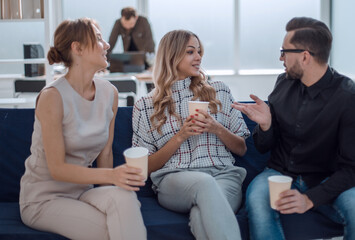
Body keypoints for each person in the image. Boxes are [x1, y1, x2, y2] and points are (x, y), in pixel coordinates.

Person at [19, 18, 147, 240]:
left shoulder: (110, 93)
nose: (107, 45)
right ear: (76, 48)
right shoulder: (52, 97)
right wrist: (114, 175)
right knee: (110, 231)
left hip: (83, 192)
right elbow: (58, 169)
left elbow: (105, 153)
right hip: (45, 198)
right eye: (98, 39)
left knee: (125, 198)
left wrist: (111, 188)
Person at [232, 17, 355, 240]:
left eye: (284, 51)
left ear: (305, 56)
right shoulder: (283, 84)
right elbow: (262, 147)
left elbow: (352, 169)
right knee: (257, 203)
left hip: (327, 178)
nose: (281, 58)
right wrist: (266, 125)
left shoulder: (348, 96)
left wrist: (310, 199)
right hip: (278, 173)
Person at [132, 29, 250, 240]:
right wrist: (180, 136)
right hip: (173, 180)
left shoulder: (219, 90)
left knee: (200, 215)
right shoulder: (146, 106)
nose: (198, 57)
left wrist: (216, 128)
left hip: (224, 175)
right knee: (204, 185)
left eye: (199, 51)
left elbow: (241, 148)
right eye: (190, 52)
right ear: (172, 55)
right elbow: (143, 168)